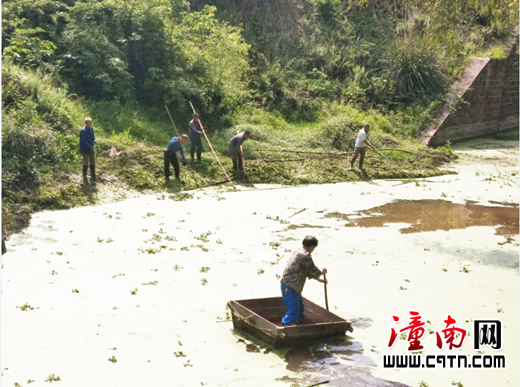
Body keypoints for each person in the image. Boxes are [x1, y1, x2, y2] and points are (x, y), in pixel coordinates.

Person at [280, 236, 327, 326]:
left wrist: (318, 279)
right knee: (293, 311)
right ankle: (283, 328)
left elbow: (305, 269)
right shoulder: (305, 255)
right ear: (312, 247)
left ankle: (300, 324)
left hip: (293, 286)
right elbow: (312, 270)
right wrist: (322, 272)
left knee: (300, 310)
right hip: (290, 286)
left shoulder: (298, 251)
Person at [79, 117, 96, 181]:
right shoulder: (83, 130)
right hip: (85, 148)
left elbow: (93, 135)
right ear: (86, 123)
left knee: (92, 160)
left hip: (91, 147)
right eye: (89, 123)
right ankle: (84, 175)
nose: (91, 124)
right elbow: (84, 141)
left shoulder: (91, 128)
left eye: (91, 122)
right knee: (85, 161)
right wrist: (90, 147)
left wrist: (95, 139)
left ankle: (93, 174)